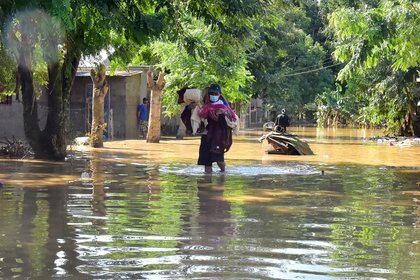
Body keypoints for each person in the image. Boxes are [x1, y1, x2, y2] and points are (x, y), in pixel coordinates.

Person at [197, 84, 237, 173]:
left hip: (219, 137)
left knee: (219, 160)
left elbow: (232, 119)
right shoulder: (204, 106)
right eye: (211, 93)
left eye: (216, 94)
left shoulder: (224, 106)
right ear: (208, 94)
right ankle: (207, 181)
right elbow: (198, 116)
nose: (213, 95)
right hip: (206, 136)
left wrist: (224, 112)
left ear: (219, 95)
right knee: (207, 163)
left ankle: (223, 173)